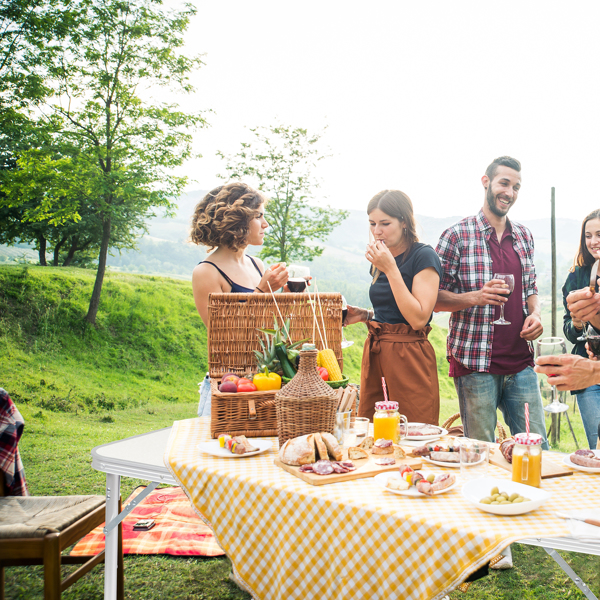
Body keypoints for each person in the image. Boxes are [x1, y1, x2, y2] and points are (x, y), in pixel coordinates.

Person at [435, 156, 549, 450]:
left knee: (536, 449)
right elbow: (433, 299)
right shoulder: (456, 236)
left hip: (521, 363)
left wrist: (535, 313)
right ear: (486, 182)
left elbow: (530, 288)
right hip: (475, 365)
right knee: (480, 454)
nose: (509, 192)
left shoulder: (524, 235)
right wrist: (476, 297)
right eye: (504, 183)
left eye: (516, 187)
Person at [345, 190, 442, 424]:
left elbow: (418, 318)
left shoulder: (424, 257)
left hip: (409, 356)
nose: (377, 231)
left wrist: (390, 269)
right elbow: (392, 308)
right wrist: (366, 315)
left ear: (404, 222)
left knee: (414, 430)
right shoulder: (382, 258)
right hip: (377, 352)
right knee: (374, 430)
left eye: (385, 223)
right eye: (372, 223)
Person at [190, 182, 288, 326]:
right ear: (237, 221)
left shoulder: (256, 264)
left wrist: (288, 295)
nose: (265, 224)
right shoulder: (206, 272)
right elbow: (220, 333)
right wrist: (262, 292)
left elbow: (265, 324)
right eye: (258, 216)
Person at [561, 210, 600, 448]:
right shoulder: (577, 275)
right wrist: (576, 322)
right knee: (596, 447)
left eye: (599, 234)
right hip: (587, 369)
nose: (593, 241)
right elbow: (570, 330)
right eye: (588, 235)